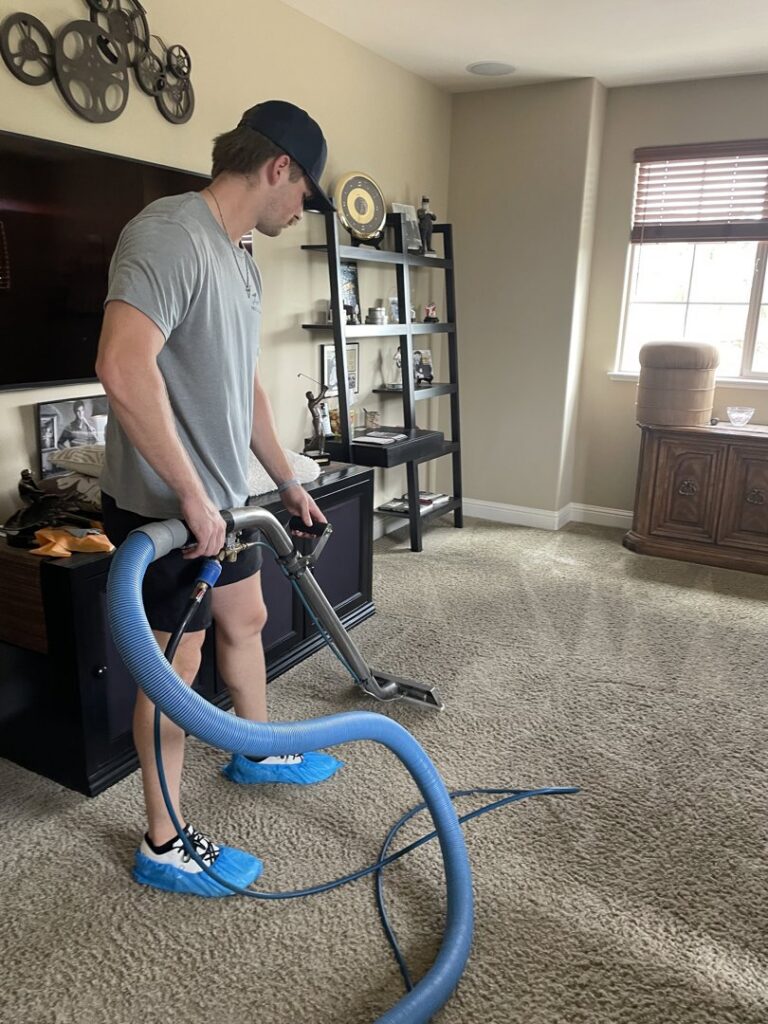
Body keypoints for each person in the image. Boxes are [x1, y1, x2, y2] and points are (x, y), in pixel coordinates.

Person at [95, 100, 342, 899]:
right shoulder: (169, 236)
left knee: (248, 619)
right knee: (176, 669)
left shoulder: (237, 255)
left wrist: (287, 481)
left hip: (223, 502)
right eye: (304, 191)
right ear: (279, 169)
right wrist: (194, 498)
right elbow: (122, 366)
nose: (302, 208)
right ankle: (162, 843)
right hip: (166, 515)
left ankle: (254, 747)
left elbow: (246, 391)